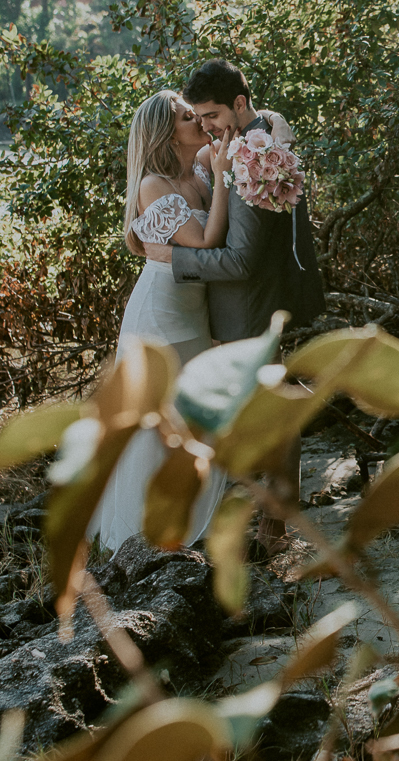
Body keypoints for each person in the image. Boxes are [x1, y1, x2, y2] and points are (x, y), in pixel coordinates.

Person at [89, 90, 298, 552]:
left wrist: (269, 134)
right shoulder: (153, 185)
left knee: (196, 420)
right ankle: (137, 540)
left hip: (197, 310)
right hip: (159, 313)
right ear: (167, 133)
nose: (200, 122)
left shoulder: (203, 165)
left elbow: (257, 126)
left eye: (199, 114)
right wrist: (222, 178)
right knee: (154, 425)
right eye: (188, 117)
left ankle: (185, 530)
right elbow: (204, 242)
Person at [143, 59, 326, 553]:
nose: (205, 126)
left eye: (211, 115)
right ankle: (262, 520)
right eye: (198, 117)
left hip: (248, 307)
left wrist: (176, 258)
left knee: (271, 414)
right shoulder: (250, 137)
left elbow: (242, 260)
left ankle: (274, 527)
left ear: (239, 105)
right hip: (234, 309)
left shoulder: (252, 153)